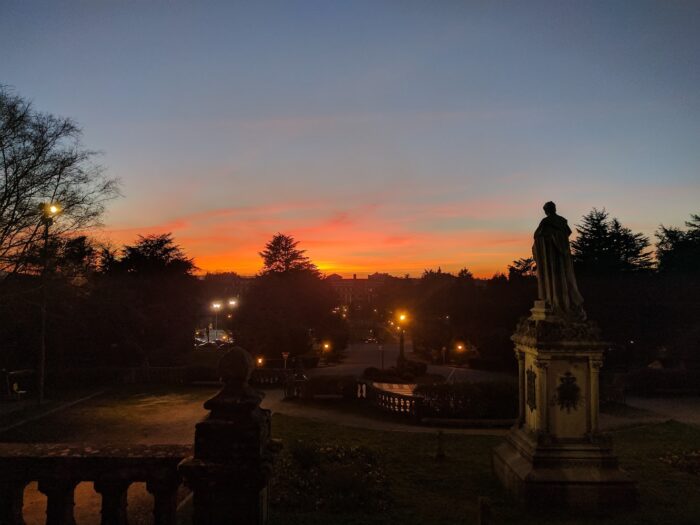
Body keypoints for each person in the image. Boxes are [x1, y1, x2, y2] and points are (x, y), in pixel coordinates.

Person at [532, 201, 586, 321]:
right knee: (563, 277)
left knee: (554, 277)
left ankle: (554, 300)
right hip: (561, 256)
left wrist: (549, 238)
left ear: (546, 210)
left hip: (551, 257)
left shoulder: (546, 222)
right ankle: (560, 300)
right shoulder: (562, 221)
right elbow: (567, 232)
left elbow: (537, 236)